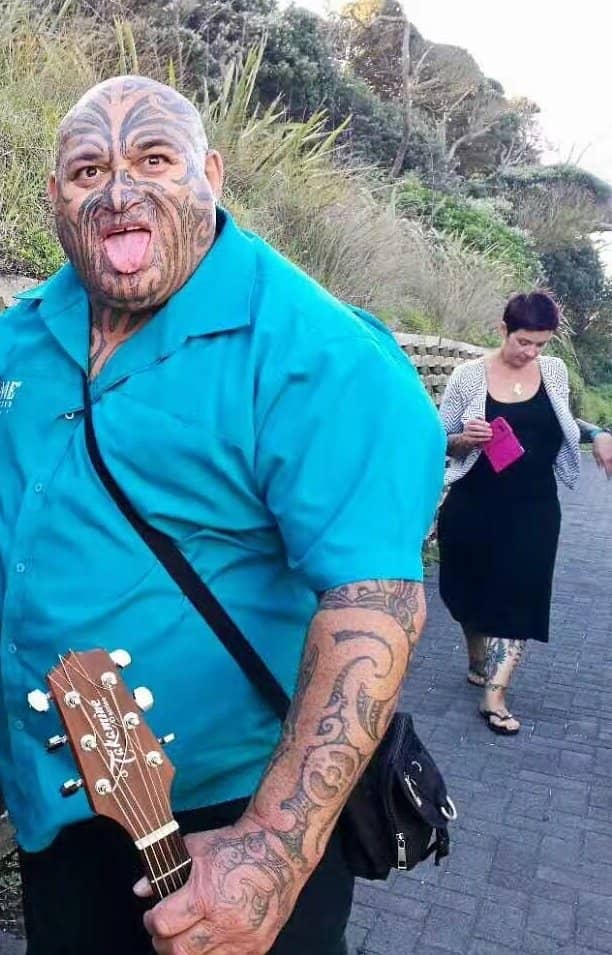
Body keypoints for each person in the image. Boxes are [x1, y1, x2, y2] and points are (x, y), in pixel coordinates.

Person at [0, 77, 445, 955]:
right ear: (53, 198)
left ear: (211, 172)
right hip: (57, 804)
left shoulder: (322, 355)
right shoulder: (24, 337)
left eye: (153, 160)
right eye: (89, 170)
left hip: (228, 817)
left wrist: (273, 848)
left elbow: (375, 608)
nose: (120, 192)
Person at [437, 291, 611, 737]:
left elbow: (566, 421)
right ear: (503, 330)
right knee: (464, 593)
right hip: (473, 504)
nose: (531, 352)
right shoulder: (466, 376)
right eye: (523, 342)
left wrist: (600, 433)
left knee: (520, 595)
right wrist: (464, 440)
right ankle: (477, 658)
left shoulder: (552, 372)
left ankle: (494, 695)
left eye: (540, 344)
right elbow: (439, 438)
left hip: (533, 507)